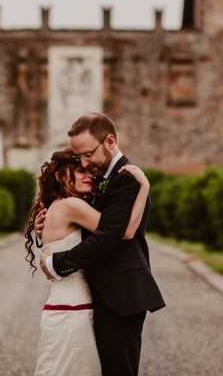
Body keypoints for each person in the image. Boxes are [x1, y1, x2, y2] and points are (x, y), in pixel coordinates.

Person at [38, 113, 165, 375]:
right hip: (101, 295)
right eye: (79, 160)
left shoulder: (127, 179)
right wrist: (46, 232)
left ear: (109, 141)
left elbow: (114, 235)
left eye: (87, 155)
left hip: (121, 294)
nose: (84, 163)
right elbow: (83, 228)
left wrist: (56, 262)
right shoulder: (99, 183)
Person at [24, 148, 151, 376]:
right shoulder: (73, 206)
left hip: (62, 308)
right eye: (79, 171)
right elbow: (122, 231)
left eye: (88, 170)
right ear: (59, 176)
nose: (88, 175)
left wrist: (40, 236)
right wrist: (144, 189)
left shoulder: (58, 206)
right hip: (73, 310)